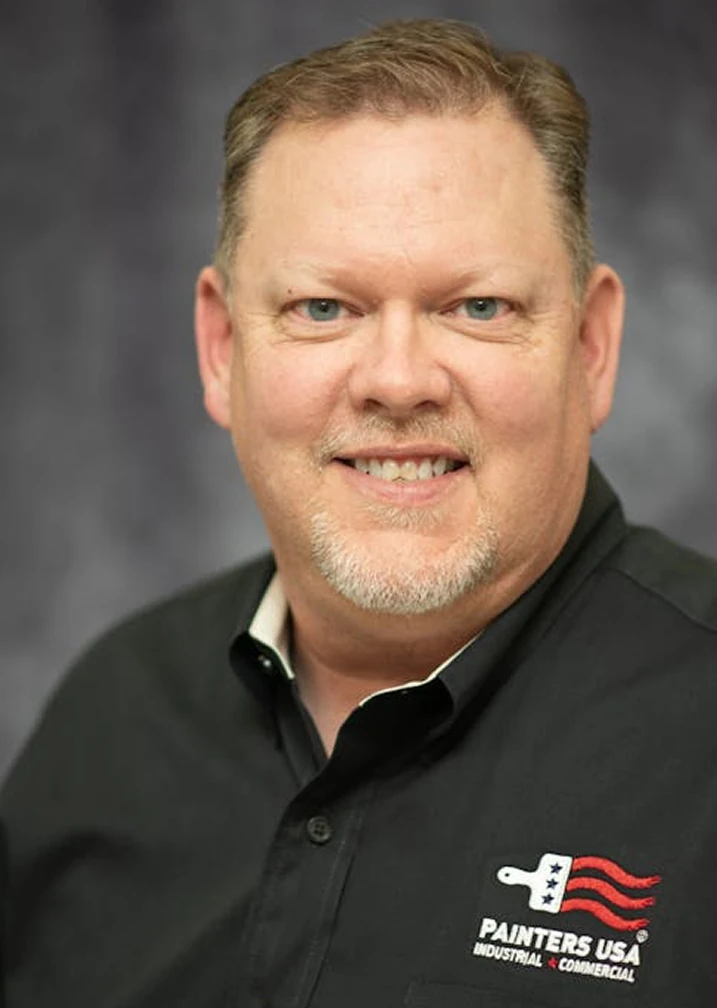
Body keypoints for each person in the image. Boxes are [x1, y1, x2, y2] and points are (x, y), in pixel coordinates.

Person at [2, 17, 717, 1008]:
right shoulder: (111, 719)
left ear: (592, 348)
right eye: (323, 309)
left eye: (478, 307)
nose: (396, 381)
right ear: (221, 349)